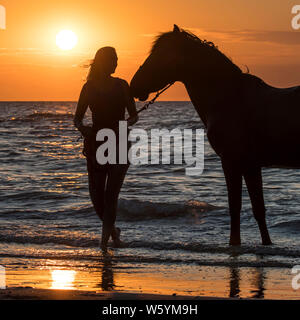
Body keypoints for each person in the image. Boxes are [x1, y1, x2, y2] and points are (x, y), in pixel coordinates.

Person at [74, 47, 138, 250]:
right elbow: (77, 118)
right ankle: (112, 231)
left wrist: (126, 125)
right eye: (113, 59)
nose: (116, 63)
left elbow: (134, 115)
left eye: (117, 59)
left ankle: (105, 244)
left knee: (111, 196)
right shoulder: (89, 87)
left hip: (118, 142)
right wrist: (83, 129)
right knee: (97, 196)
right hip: (96, 143)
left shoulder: (122, 85)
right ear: (103, 62)